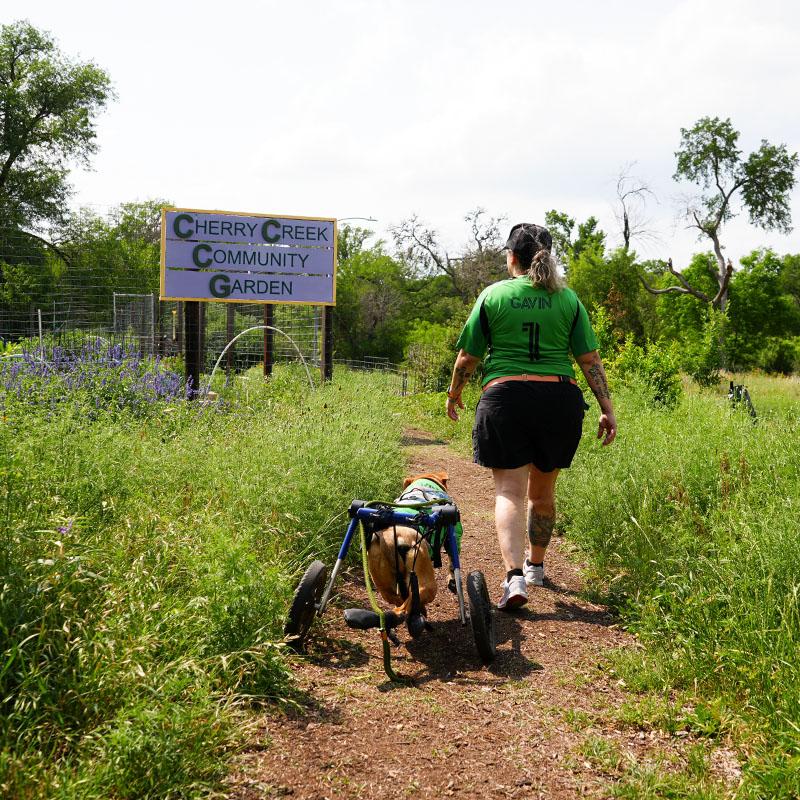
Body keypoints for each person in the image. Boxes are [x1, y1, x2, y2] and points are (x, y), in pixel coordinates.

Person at [445, 223, 616, 610]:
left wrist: (454, 394)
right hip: (559, 400)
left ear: (512, 258)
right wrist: (607, 409)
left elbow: (468, 358)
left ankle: (514, 578)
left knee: (510, 492)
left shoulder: (493, 295)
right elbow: (589, 359)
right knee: (542, 494)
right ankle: (535, 566)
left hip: (506, 397)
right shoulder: (568, 299)